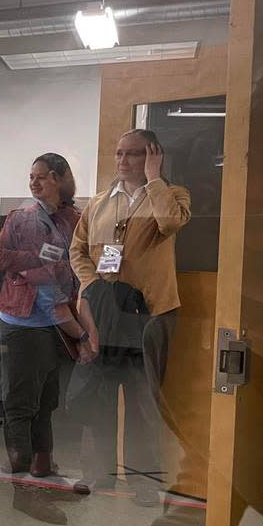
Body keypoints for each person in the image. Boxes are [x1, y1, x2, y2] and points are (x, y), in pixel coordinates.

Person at [68, 130, 191, 505]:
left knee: (143, 399)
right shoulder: (101, 202)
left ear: (154, 155)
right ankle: (98, 471)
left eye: (134, 154)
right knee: (100, 394)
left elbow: (170, 223)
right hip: (106, 312)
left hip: (151, 313)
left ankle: (145, 481)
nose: (122, 161)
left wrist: (154, 178)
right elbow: (78, 250)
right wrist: (92, 288)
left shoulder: (173, 195)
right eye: (119, 153)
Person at [0, 153, 91, 524]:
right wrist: (39, 265)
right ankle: (25, 493)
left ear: (61, 178)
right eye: (31, 177)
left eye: (42, 177)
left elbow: (71, 267)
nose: (33, 183)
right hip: (23, 321)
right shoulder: (22, 217)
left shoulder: (73, 218)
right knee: (21, 406)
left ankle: (44, 473)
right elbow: (3, 255)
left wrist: (43, 267)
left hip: (54, 321)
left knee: (47, 402)